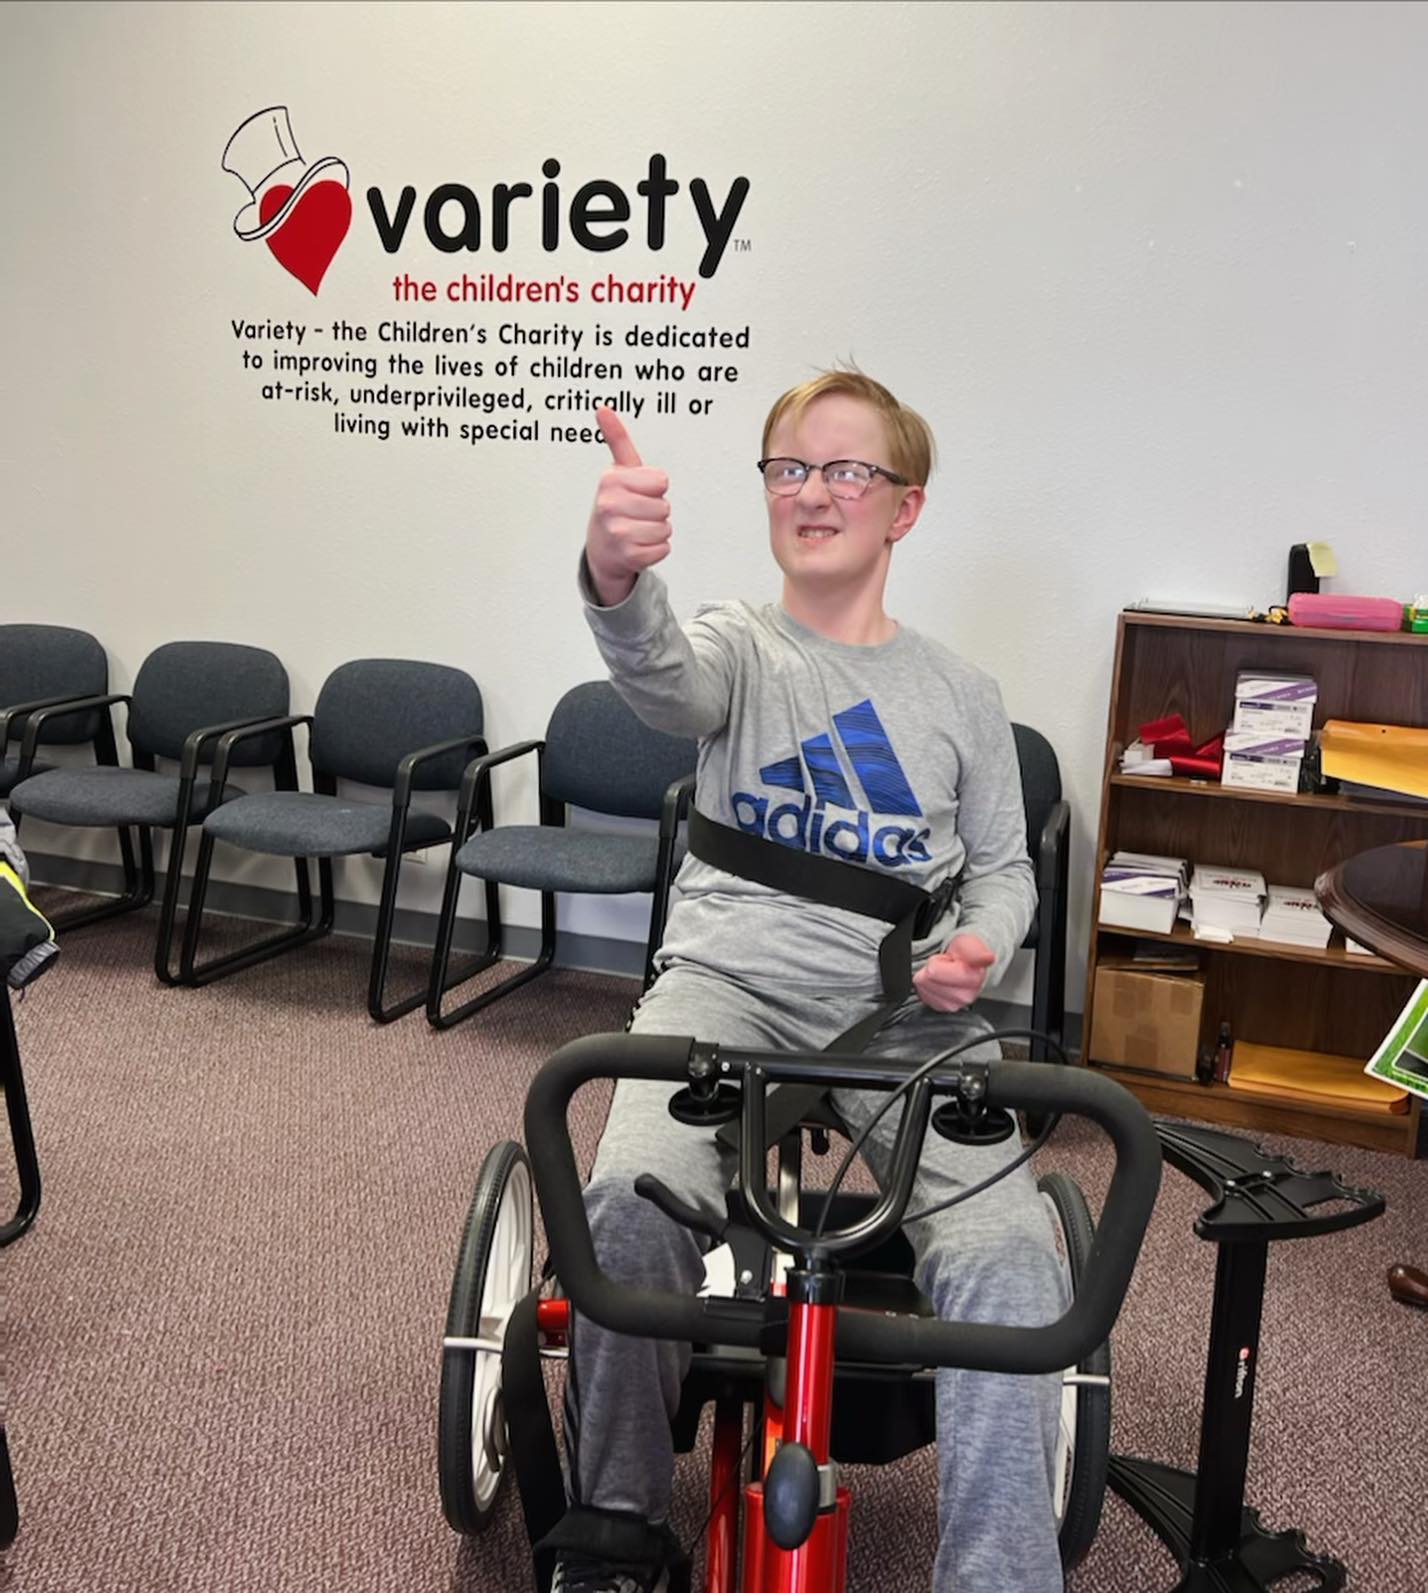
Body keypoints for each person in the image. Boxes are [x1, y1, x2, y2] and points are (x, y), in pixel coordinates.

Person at [555, 369, 1067, 1593]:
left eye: (850, 470)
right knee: (630, 1196)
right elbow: (661, 678)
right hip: (725, 990)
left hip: (905, 1015)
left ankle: (998, 1577)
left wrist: (983, 945)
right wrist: (617, 579)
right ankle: (618, 1530)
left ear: (907, 507)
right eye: (792, 467)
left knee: (1011, 1250)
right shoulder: (741, 646)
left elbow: (1004, 873)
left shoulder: (964, 699)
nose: (817, 491)